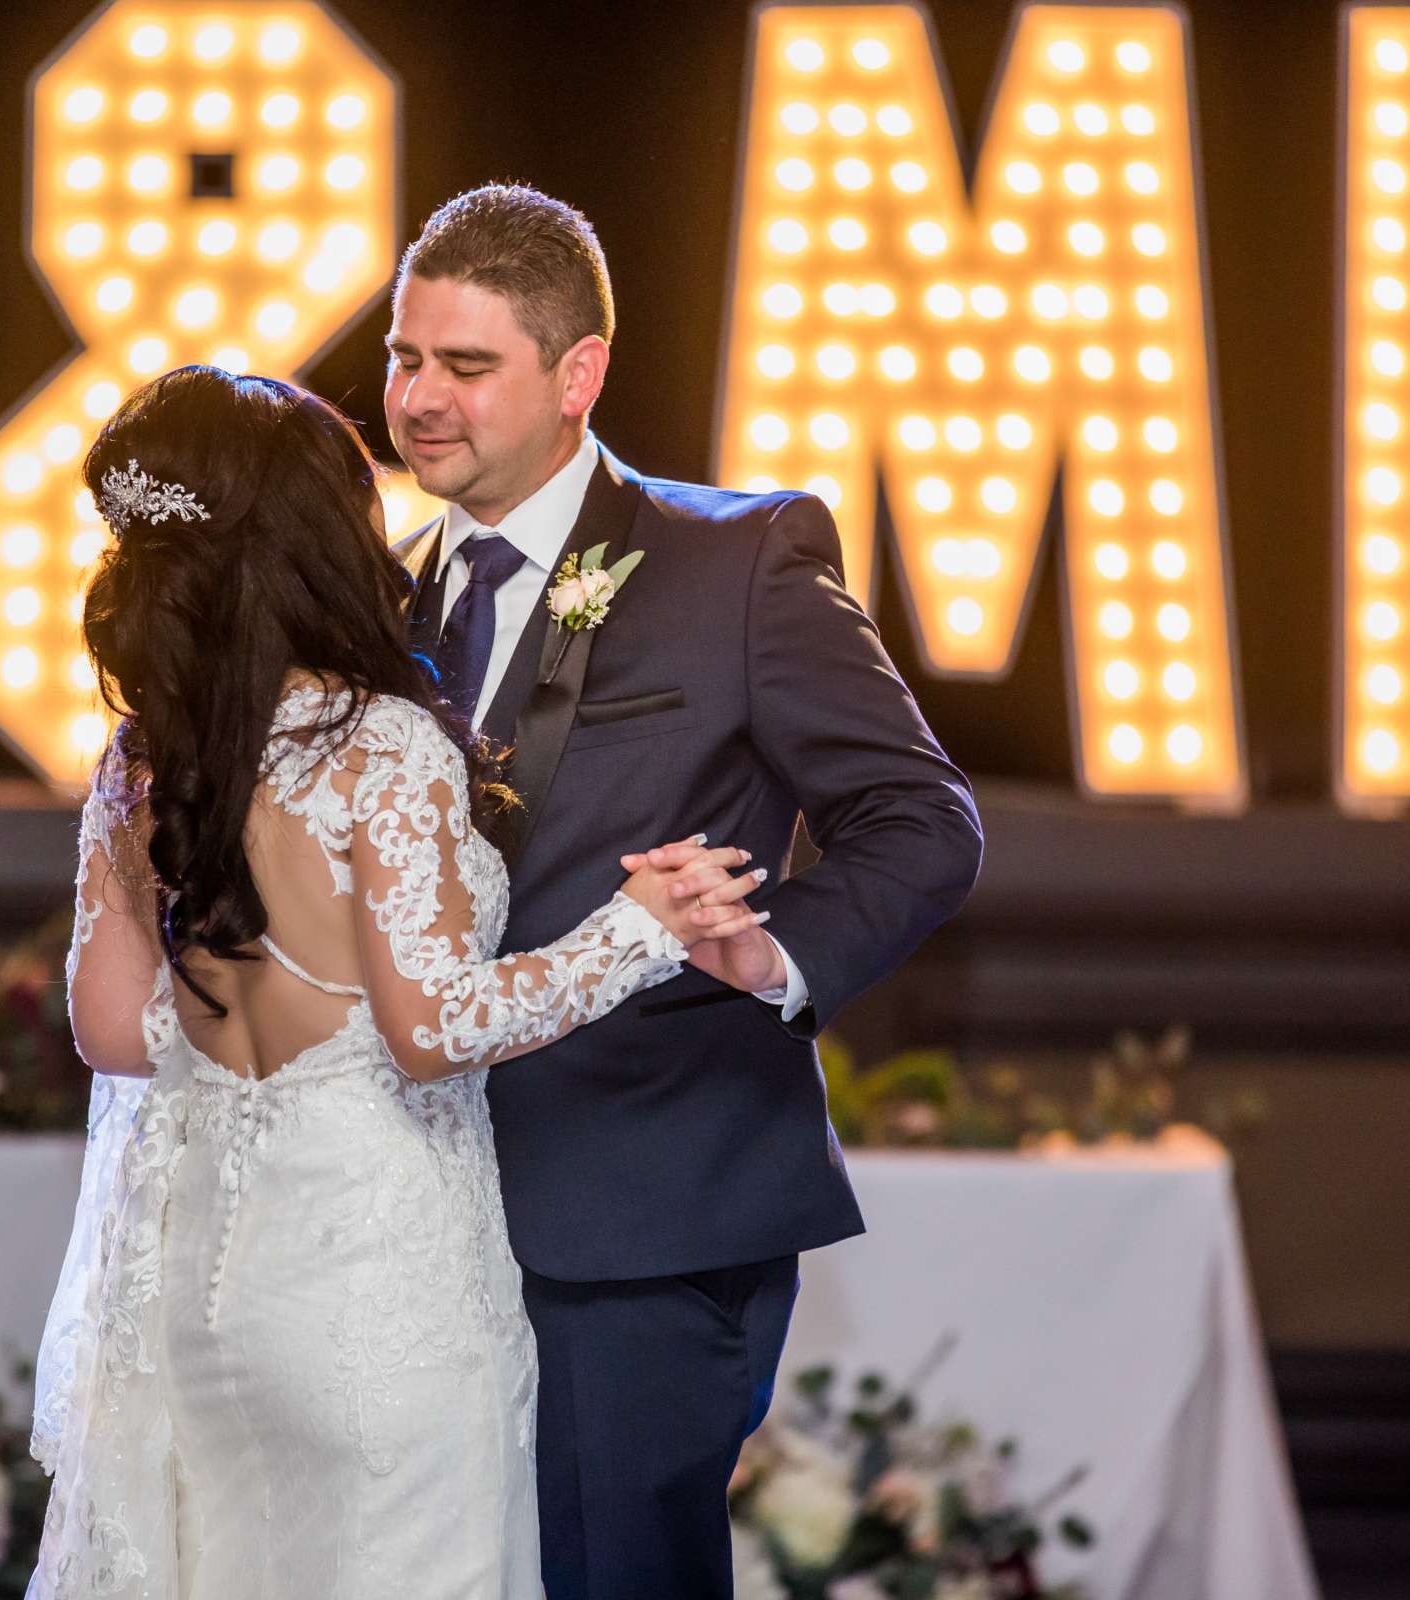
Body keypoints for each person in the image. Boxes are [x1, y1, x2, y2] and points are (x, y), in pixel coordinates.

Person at [27, 365, 772, 1599]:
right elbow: (433, 1027)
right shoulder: (377, 740)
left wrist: (258, 1010)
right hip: (373, 1296)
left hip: (210, 1308)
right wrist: (636, 929)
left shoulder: (140, 759)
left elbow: (109, 1029)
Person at [384, 184, 982, 1598]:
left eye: (465, 367)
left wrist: (764, 960)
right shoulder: (380, 593)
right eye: (407, 358)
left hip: (643, 1223)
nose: (417, 398)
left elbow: (921, 819)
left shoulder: (737, 561)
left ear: (577, 372)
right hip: (419, 1221)